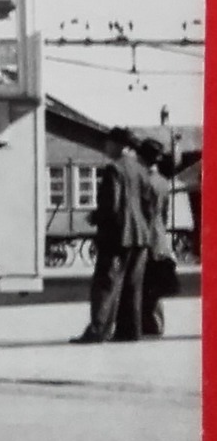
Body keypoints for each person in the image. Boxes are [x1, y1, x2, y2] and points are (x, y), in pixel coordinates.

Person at [72, 128, 154, 343]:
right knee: (133, 285)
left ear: (119, 145)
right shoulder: (141, 169)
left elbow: (112, 205)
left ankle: (98, 330)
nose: (105, 147)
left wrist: (96, 217)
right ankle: (130, 331)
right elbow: (149, 206)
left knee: (106, 283)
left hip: (117, 235)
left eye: (108, 143)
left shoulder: (113, 169)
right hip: (140, 237)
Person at [138, 140, 177, 337]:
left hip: (146, 236)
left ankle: (149, 324)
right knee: (156, 285)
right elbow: (164, 214)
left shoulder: (143, 181)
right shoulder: (162, 181)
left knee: (144, 283)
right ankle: (157, 323)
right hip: (160, 236)